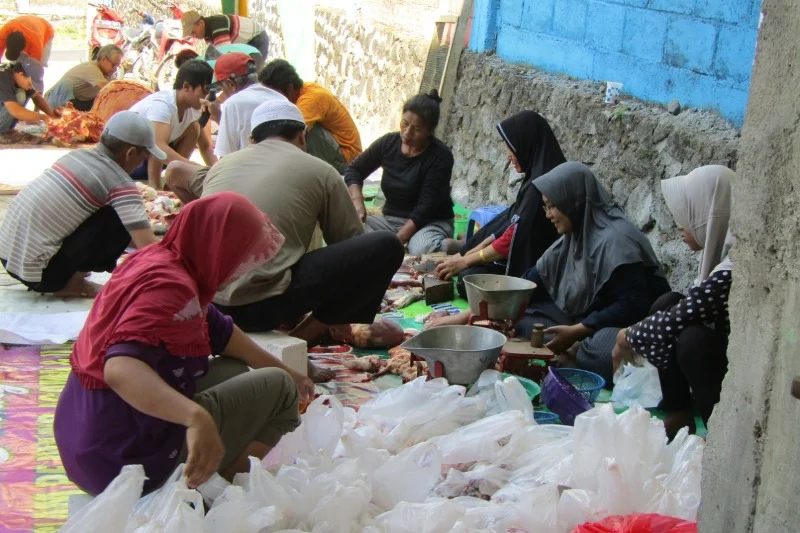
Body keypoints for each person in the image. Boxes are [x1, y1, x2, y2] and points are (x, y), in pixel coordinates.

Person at [53, 192, 315, 496]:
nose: (241, 268)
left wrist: (293, 372)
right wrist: (195, 418)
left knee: (236, 369)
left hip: (87, 445)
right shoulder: (172, 289)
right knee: (279, 388)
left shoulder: (160, 259)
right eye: (240, 256)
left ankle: (209, 467)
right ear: (219, 248)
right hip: (123, 462)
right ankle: (218, 491)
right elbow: (120, 367)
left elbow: (221, 332)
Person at [203, 100, 404, 381]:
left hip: (208, 308)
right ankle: (300, 341)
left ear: (252, 140)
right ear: (302, 136)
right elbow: (349, 243)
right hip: (260, 310)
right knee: (385, 246)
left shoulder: (220, 167)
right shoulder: (320, 170)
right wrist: (342, 316)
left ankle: (291, 342)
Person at [429, 162, 670, 384]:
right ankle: (567, 350)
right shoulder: (571, 239)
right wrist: (462, 318)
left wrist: (580, 331)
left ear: (572, 200)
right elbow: (524, 287)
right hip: (582, 321)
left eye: (552, 206)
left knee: (601, 351)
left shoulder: (616, 240)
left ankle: (574, 354)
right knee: (520, 320)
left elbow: (633, 305)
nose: (548, 215)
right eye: (545, 206)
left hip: (624, 329)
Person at [613, 165, 735, 438]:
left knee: (693, 340)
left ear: (708, 213)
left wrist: (627, 336)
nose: (681, 225)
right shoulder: (717, 260)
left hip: (734, 373)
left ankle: (717, 433)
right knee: (667, 302)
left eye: (688, 214)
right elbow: (680, 309)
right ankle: (678, 411)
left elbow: (683, 316)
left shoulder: (733, 268)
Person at [0, 111, 160, 297]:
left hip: (7, 257)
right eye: (144, 157)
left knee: (118, 213)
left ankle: (64, 275)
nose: (142, 163)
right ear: (130, 153)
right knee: (114, 214)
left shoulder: (73, 157)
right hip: (44, 277)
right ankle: (71, 284)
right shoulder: (119, 182)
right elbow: (148, 247)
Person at [434, 111, 565, 296]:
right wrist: (467, 254)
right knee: (469, 269)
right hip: (520, 249)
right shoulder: (535, 177)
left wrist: (466, 260)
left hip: (538, 268)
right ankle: (464, 247)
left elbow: (514, 237)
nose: (508, 155)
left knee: (468, 279)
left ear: (526, 145)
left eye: (511, 148)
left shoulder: (541, 186)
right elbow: (511, 223)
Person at [165, 52, 286, 203]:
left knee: (174, 171)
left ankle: (205, 216)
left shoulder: (233, 103)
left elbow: (226, 163)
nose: (223, 95)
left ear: (231, 84)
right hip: (281, 183)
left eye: (222, 87)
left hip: (246, 186)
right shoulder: (282, 99)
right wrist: (220, 118)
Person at [345, 92, 454, 255]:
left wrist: (396, 242)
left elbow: (424, 210)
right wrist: (358, 203)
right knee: (348, 227)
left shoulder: (440, 157)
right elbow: (354, 170)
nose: (407, 133)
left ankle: (457, 245)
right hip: (390, 220)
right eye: (405, 123)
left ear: (429, 131)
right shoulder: (388, 143)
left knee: (420, 249)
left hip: (428, 223)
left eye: (416, 129)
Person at [259, 59, 361, 173]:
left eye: (273, 93)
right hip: (333, 151)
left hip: (346, 159)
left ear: (289, 88)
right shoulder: (303, 91)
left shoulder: (311, 99)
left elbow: (290, 135)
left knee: (297, 129)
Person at [129, 59, 215, 189]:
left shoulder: (193, 109)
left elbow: (204, 146)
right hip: (130, 160)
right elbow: (157, 146)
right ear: (186, 87)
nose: (207, 97)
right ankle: (155, 186)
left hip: (152, 155)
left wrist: (217, 171)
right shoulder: (163, 105)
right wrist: (192, 166)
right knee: (159, 141)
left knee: (194, 129)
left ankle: (170, 187)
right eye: (204, 91)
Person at [44, 44, 123, 111]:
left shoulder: (108, 73)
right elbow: (109, 90)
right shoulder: (91, 68)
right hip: (56, 101)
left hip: (75, 101)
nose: (115, 69)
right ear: (104, 59)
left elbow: (119, 89)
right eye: (114, 65)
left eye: (117, 66)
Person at [0, 53, 59, 137]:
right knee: (20, 96)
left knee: (21, 93)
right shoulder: (3, 78)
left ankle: (7, 129)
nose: (31, 87)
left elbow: (37, 98)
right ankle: (1, 132)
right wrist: (42, 117)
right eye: (30, 84)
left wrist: (52, 115)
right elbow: (15, 111)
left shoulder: (15, 75)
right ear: (21, 75)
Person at [182, 10, 269, 65]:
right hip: (248, 42)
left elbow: (224, 57)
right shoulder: (208, 31)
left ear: (200, 23)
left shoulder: (216, 27)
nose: (193, 36)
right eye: (191, 34)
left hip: (257, 39)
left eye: (193, 32)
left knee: (253, 76)